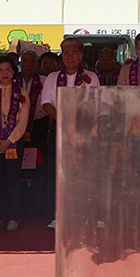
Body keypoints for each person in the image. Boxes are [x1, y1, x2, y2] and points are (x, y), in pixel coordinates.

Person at [40, 37, 100, 230]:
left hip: (84, 132)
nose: (70, 57)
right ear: (62, 57)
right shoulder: (52, 77)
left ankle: (85, 214)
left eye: (75, 53)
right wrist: (64, 119)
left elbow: (96, 103)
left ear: (81, 56)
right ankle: (57, 216)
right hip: (60, 129)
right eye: (66, 53)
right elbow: (46, 104)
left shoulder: (92, 77)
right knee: (57, 173)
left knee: (84, 174)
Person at [0, 56, 29, 232]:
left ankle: (14, 217)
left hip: (14, 142)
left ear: (14, 71)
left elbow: (23, 120)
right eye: (0, 70)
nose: (4, 73)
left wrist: (9, 140)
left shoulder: (21, 93)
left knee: (13, 181)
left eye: (8, 69)